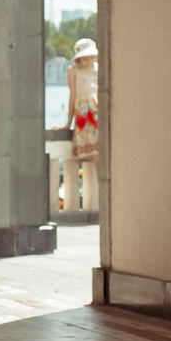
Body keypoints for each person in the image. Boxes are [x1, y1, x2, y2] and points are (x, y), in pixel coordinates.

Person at [67, 37, 101, 211]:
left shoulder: (97, 69)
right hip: (84, 114)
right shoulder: (73, 71)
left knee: (99, 152)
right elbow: (72, 96)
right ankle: (102, 191)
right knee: (93, 152)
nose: (89, 61)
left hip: (96, 112)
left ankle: (103, 189)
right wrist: (68, 122)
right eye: (85, 57)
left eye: (91, 57)